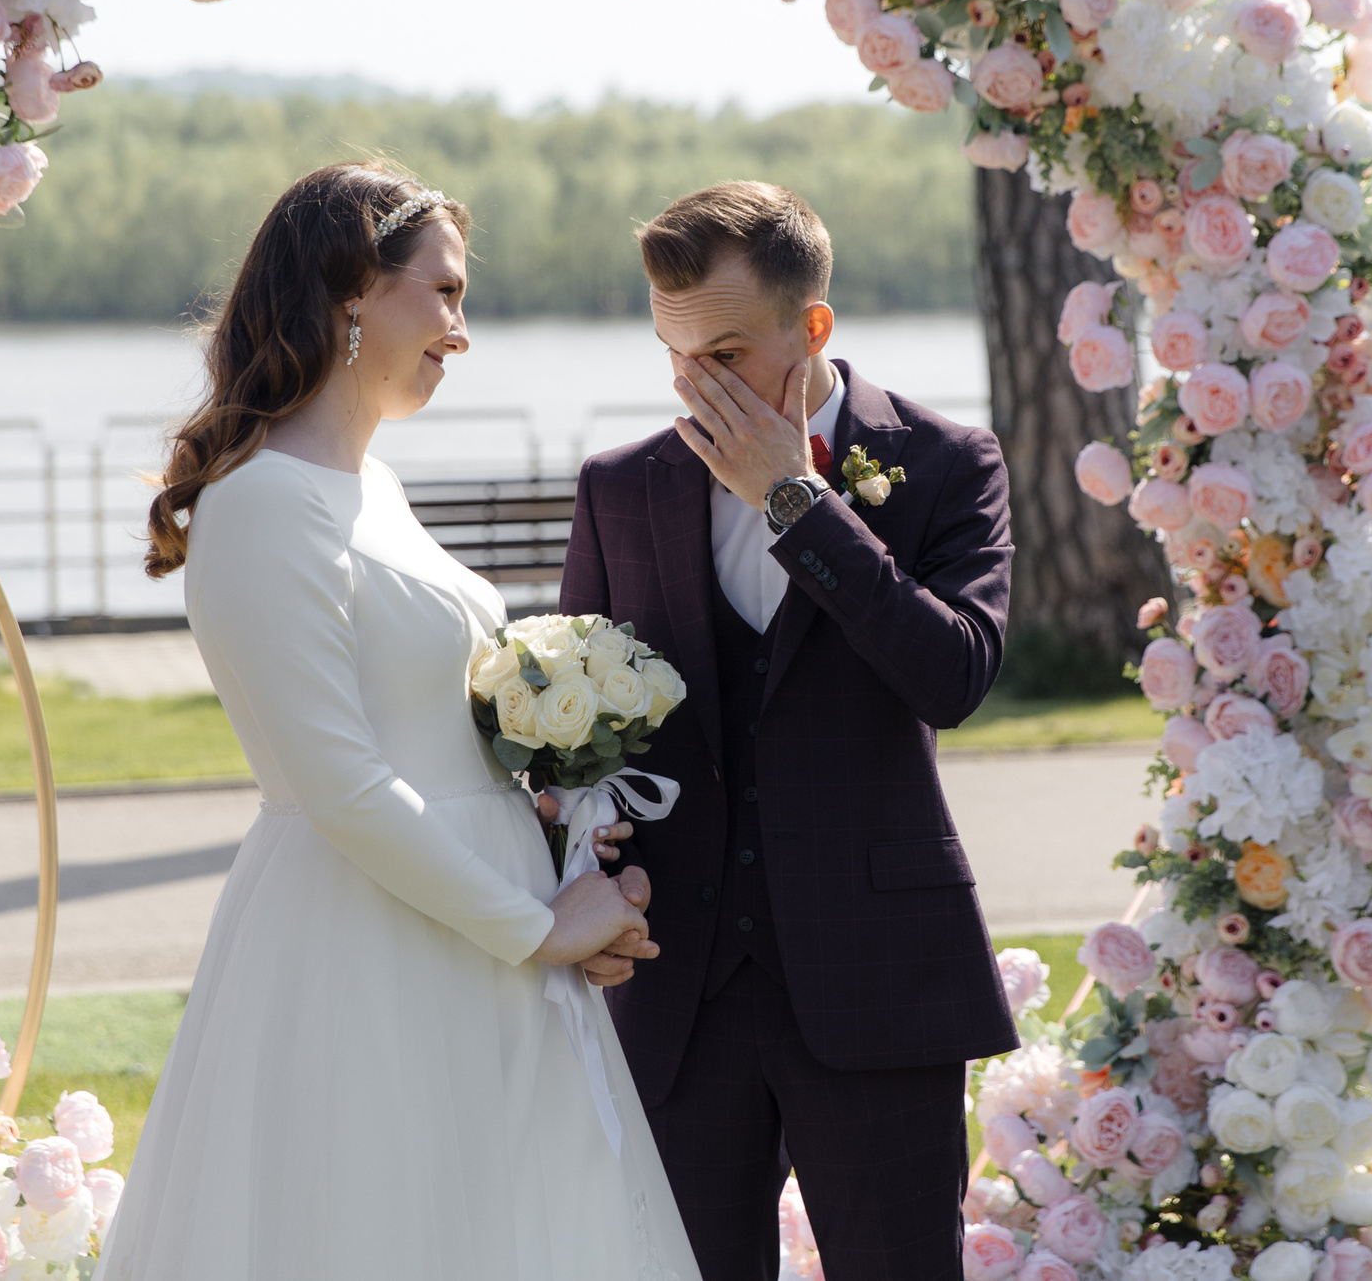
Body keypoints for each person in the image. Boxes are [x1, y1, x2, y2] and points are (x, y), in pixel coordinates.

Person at [102, 163, 700, 1280]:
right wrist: (537, 928)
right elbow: (338, 783)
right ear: (351, 297)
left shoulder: (371, 486)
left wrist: (562, 829)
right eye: (443, 293)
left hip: (480, 918)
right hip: (370, 941)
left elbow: (422, 715)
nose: (459, 331)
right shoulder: (259, 504)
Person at [558, 182, 1018, 1281]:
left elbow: (950, 677)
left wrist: (797, 502)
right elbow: (576, 739)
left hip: (880, 976)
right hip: (679, 988)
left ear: (811, 328)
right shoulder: (622, 487)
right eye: (674, 357)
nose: (693, 385)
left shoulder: (949, 464)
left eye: (721, 353)